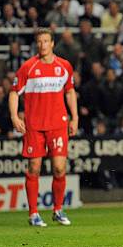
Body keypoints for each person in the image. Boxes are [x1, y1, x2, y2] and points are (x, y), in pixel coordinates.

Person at [9, 28, 78, 227]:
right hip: (35, 126)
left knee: (59, 167)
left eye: (46, 41)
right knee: (35, 167)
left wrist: (75, 118)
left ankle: (57, 209)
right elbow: (14, 93)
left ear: (52, 43)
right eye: (39, 42)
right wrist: (14, 116)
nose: (42, 45)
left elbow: (70, 92)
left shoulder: (64, 66)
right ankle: (33, 213)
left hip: (58, 125)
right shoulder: (28, 67)